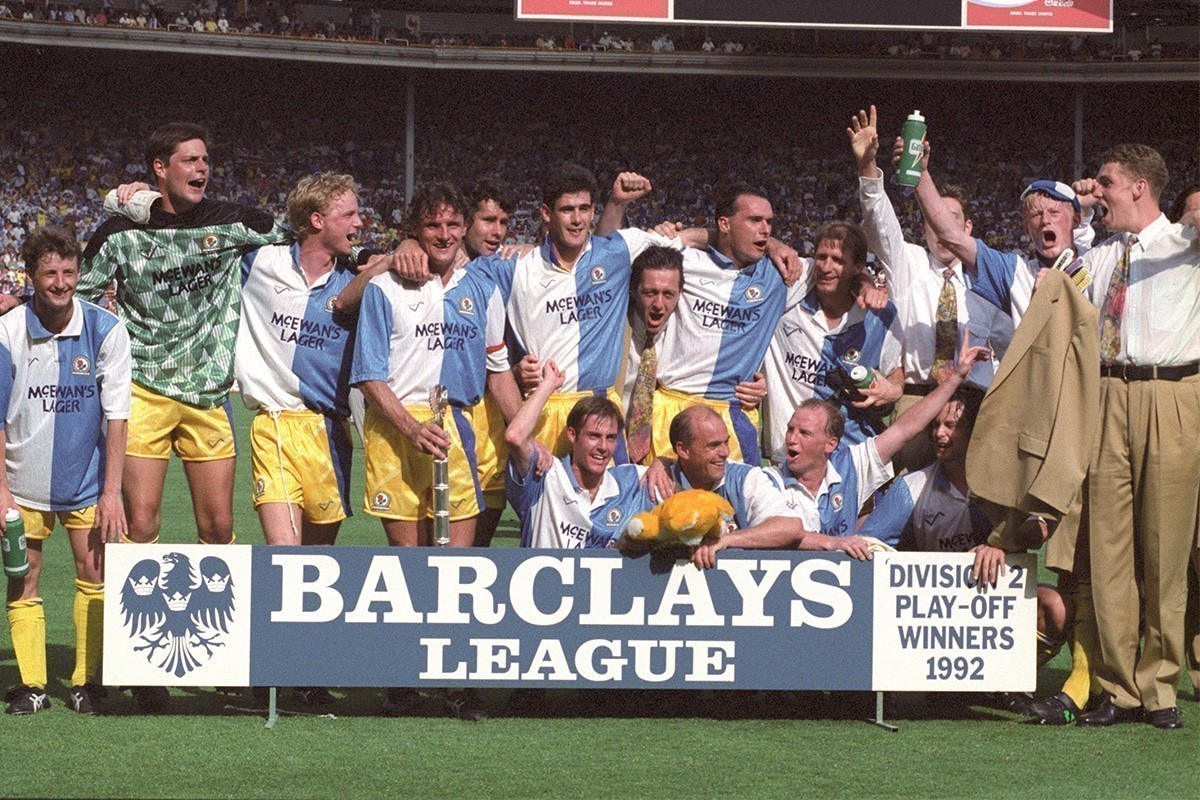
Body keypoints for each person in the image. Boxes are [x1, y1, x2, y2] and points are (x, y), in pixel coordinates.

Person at [78, 123, 288, 545]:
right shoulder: (120, 234)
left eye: (206, 160)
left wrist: (367, 255)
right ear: (160, 168)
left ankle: (215, 608)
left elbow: (308, 242)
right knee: (139, 524)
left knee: (218, 526)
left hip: (208, 393)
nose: (202, 168)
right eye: (190, 160)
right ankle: (138, 608)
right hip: (142, 390)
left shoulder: (234, 224)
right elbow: (74, 297)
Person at [1071, 144, 1199, 730]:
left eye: (1106, 184)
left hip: (1171, 393)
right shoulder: (1101, 256)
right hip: (1107, 395)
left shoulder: (1186, 244)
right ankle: (1117, 688)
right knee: (1110, 548)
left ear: (1139, 188)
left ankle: (1161, 686)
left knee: (1165, 548)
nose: (1096, 192)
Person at [693, 336, 991, 568]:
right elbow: (701, 466)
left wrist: (955, 378)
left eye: (804, 433)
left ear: (831, 444)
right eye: (790, 430)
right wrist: (662, 466)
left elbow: (904, 430)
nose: (791, 440)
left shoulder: (851, 466)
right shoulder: (767, 480)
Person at [0, 226, 131, 715]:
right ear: (31, 275)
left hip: (88, 481)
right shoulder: (7, 331)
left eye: (69, 272)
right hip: (22, 482)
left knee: (94, 573)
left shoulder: (106, 329)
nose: (60, 283)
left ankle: (86, 681)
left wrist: (111, 492)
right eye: (50, 273)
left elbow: (117, 416)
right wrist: (2, 493)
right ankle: (32, 685)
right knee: (23, 576)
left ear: (80, 272)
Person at [848, 105, 1013, 472]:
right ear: (923, 227)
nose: (940, 230)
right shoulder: (910, 263)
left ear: (967, 228)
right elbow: (879, 221)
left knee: (970, 498)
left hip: (973, 402)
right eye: (932, 221)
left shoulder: (988, 275)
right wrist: (868, 168)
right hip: (916, 398)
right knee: (910, 497)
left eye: (950, 221)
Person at [235, 173, 386, 549]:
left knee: (316, 560)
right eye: (348, 215)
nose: (359, 224)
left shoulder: (358, 284)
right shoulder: (259, 263)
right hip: (274, 425)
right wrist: (139, 198)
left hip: (329, 431)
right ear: (316, 220)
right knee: (284, 554)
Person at [761, 221, 903, 464]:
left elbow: (895, 371)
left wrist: (893, 389)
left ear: (858, 267)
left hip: (853, 456)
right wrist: (772, 243)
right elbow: (748, 246)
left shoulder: (880, 315)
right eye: (821, 257)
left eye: (838, 260)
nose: (826, 267)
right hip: (789, 455)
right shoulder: (787, 299)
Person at [506, 361, 653, 548]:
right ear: (572, 434)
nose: (603, 447)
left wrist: (661, 463)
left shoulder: (630, 481)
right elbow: (514, 437)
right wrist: (548, 384)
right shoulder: (545, 475)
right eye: (594, 436)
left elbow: (689, 484)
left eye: (611, 438)